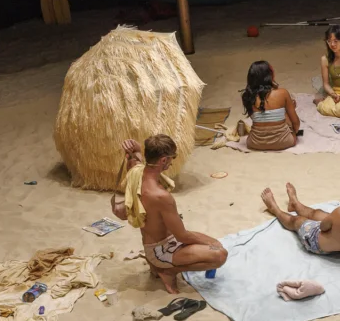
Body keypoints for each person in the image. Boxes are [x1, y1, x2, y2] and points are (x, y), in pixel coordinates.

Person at [112, 133, 228, 292]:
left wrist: (136, 149)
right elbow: (182, 236)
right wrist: (211, 244)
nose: (172, 161)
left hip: (155, 244)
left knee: (215, 244)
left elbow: (135, 160)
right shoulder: (161, 196)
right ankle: (168, 271)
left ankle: (159, 266)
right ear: (163, 160)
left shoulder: (135, 171)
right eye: (172, 157)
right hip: (161, 250)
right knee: (220, 254)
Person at [260, 177, 340, 268]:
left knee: (298, 221)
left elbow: (323, 227)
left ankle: (275, 209)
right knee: (318, 214)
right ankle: (295, 204)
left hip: (317, 244)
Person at [239, 61, 300, 150]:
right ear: (270, 76)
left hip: (255, 143)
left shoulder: (248, 96)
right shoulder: (283, 93)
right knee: (287, 113)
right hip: (285, 142)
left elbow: (260, 119)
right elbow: (296, 124)